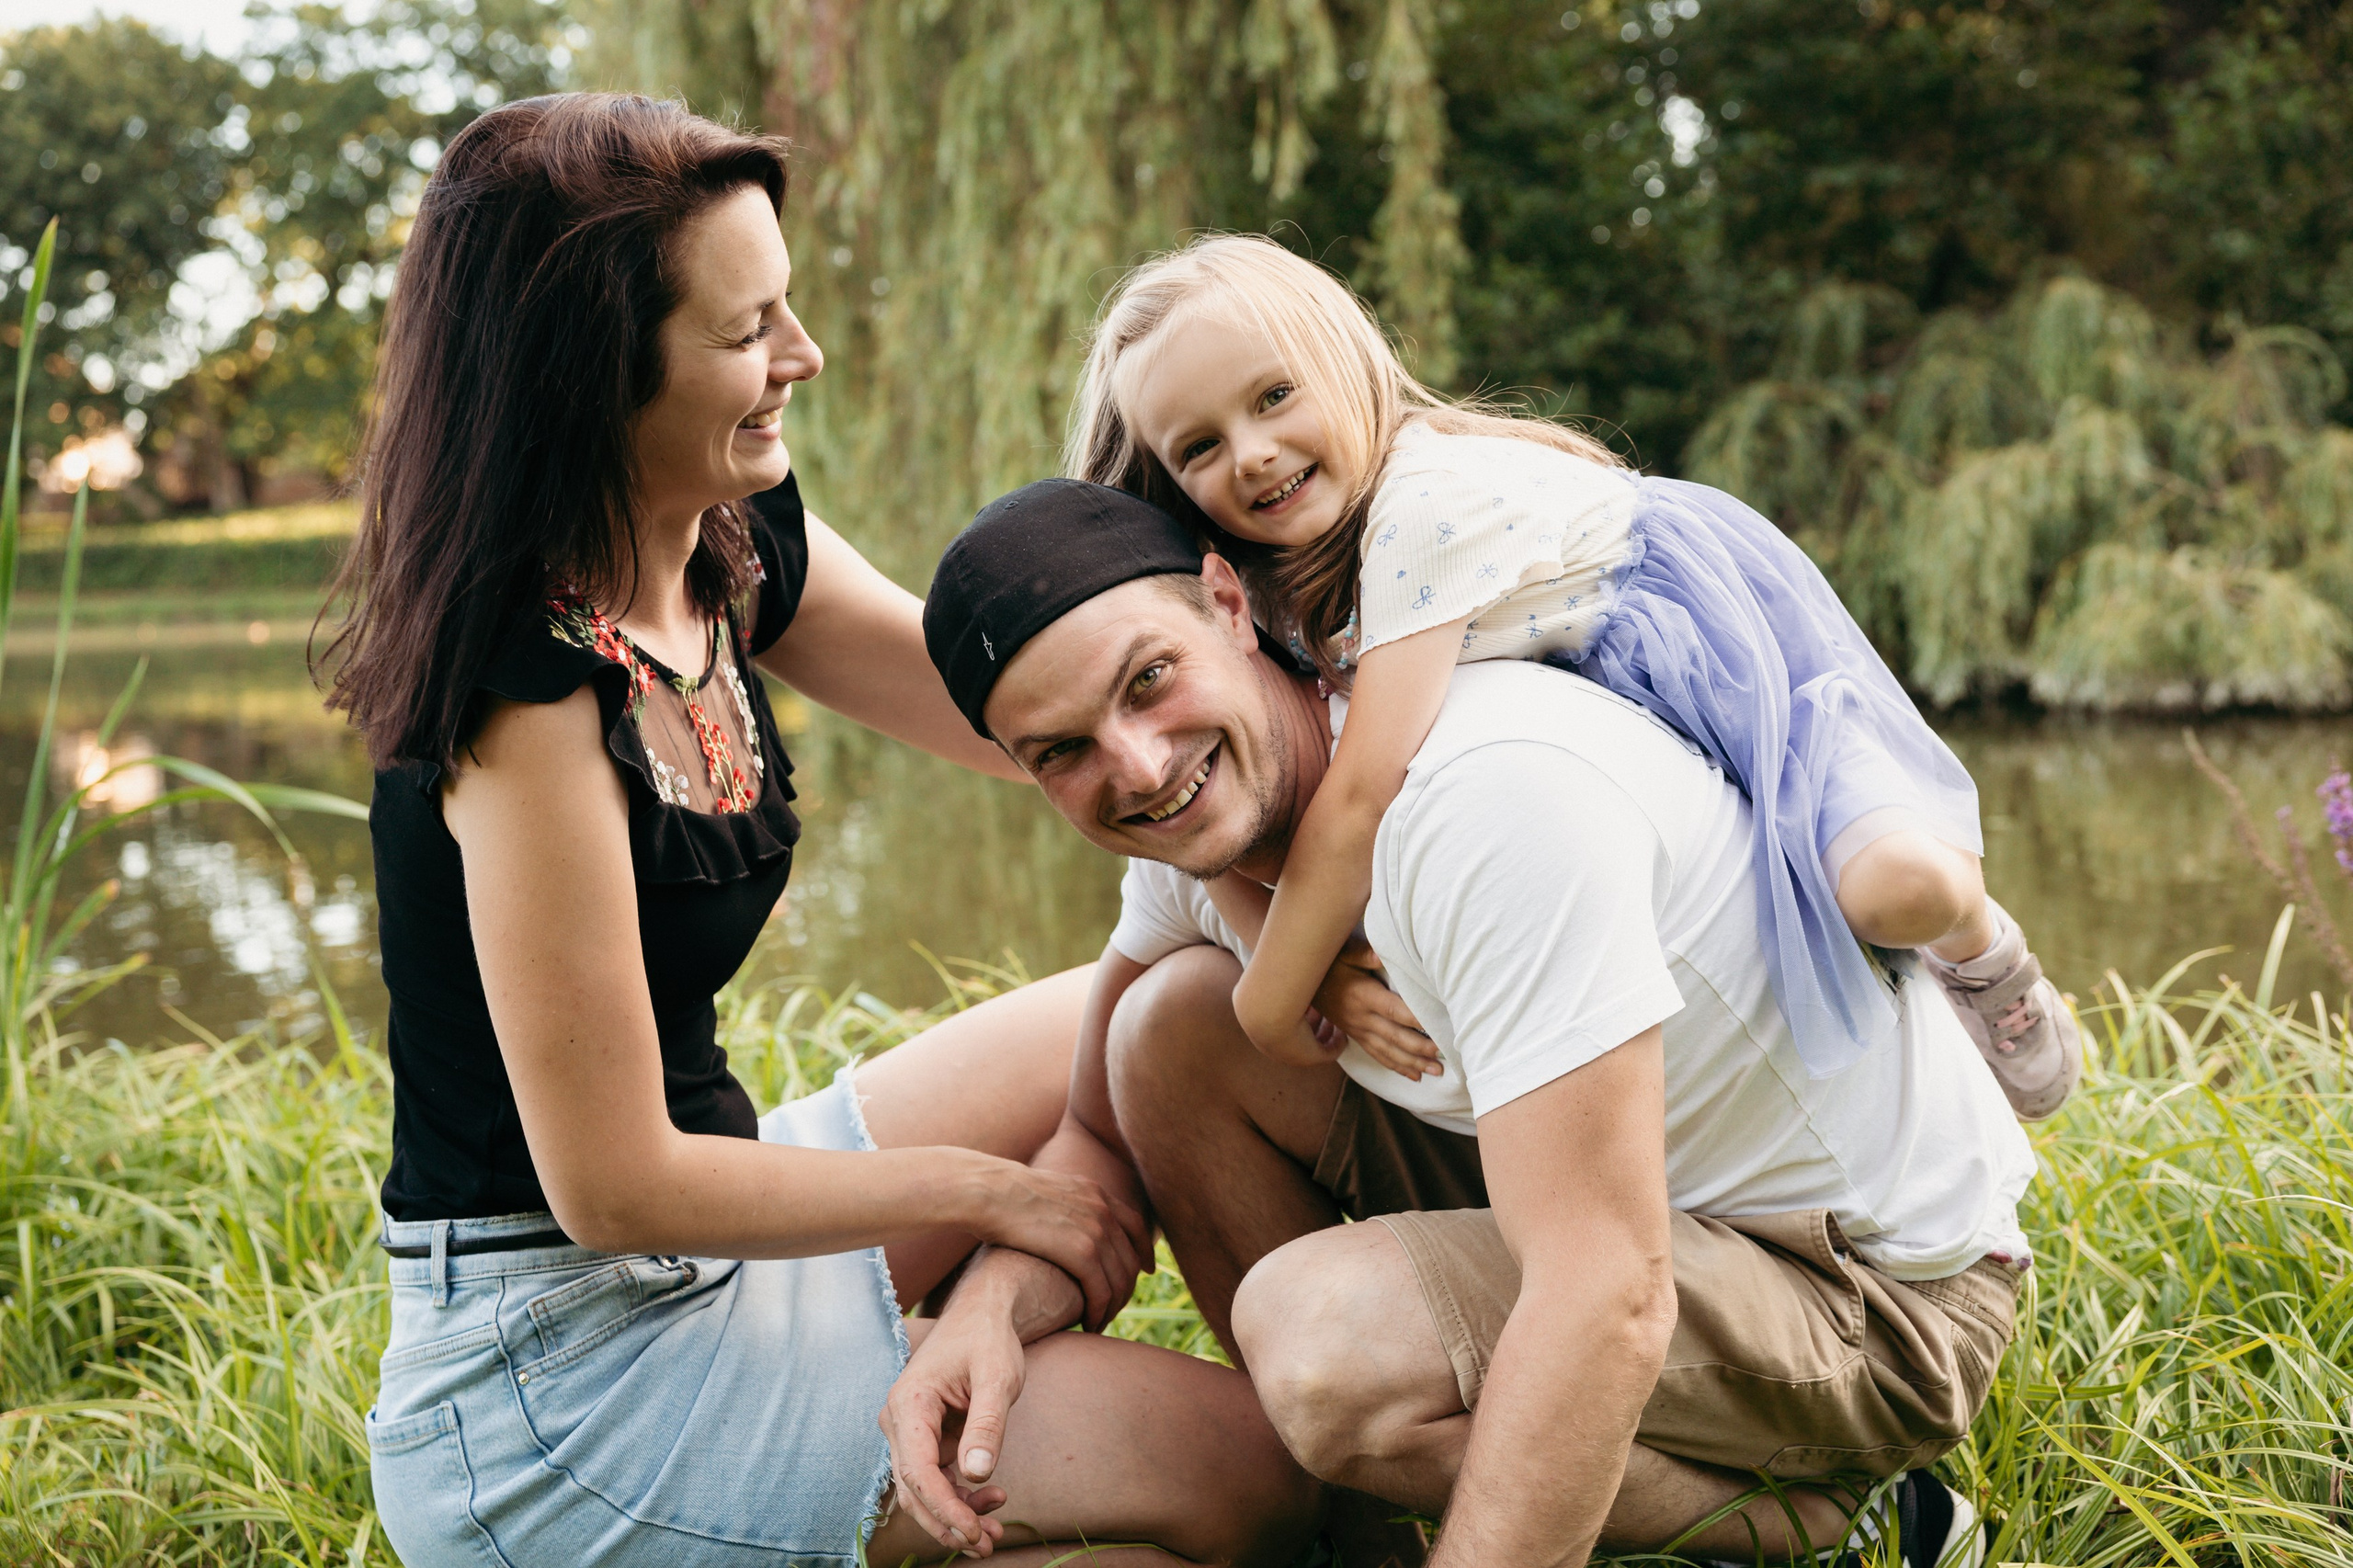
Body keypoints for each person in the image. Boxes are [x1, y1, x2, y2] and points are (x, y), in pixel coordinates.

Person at [324, 95, 1316, 1568]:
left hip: (718, 1229)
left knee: (1166, 1005)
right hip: (569, 1372)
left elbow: (1020, 717)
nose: (803, 355)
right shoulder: (524, 692)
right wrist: (1000, 1198)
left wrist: (1323, 843)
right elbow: (615, 1186)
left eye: (783, 306)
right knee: (1258, 1483)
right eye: (747, 331)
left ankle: (1335, 1341)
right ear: (592, 374)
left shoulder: (727, 538)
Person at [894, 480, 2040, 1567]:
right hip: (1642, 1201)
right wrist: (983, 1309)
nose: (1139, 766)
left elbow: (1604, 1285)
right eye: (1064, 751)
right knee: (1171, 1031)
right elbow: (1095, 1132)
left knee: (1325, 1342)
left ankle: (1846, 1519)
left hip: (1873, 1293)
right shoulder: (1203, 832)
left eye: (1149, 680)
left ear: (1230, 605)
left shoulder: (1481, 796)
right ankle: (1361, 1525)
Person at [1063, 233, 2079, 1119]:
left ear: (1346, 362)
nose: (1251, 454)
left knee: (1901, 889)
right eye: (1200, 446)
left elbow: (1365, 791)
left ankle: (1983, 953)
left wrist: (1268, 1001)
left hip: (1701, 649)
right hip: (1585, 695)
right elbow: (1214, 839)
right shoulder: (1247, 581)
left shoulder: (1426, 507)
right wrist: (1311, 963)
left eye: (1275, 396)